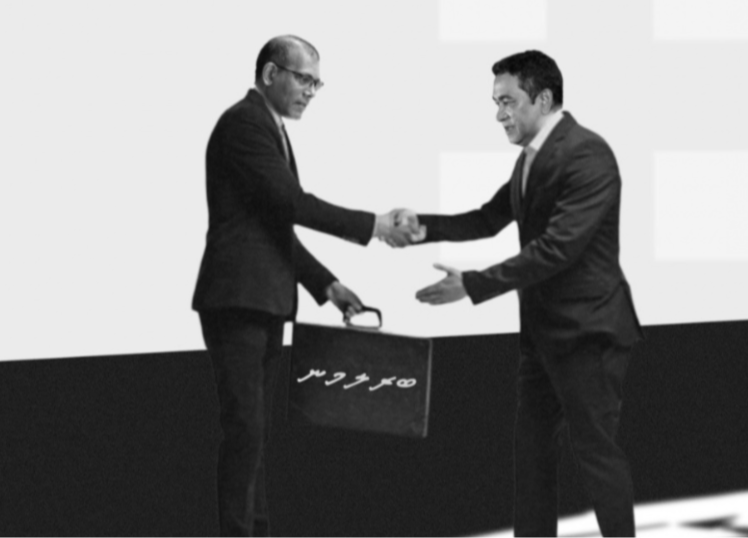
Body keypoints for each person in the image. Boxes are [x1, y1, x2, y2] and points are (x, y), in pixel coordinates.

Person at [406, 50, 644, 538]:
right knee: (532, 456)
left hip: (588, 334)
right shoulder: (530, 160)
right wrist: (417, 228)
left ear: (544, 99)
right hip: (542, 338)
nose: (499, 115)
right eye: (496, 103)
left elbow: (559, 248)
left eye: (508, 102)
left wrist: (472, 284)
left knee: (595, 456)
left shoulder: (588, 154)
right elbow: (486, 219)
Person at [191, 35, 419, 538]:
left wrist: (328, 285)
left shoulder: (269, 128)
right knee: (245, 431)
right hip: (238, 300)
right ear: (271, 74)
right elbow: (292, 204)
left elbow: (272, 225)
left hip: (261, 300)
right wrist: (376, 225)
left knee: (254, 434)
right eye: (303, 79)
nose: (311, 92)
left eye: (317, 83)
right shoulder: (244, 123)